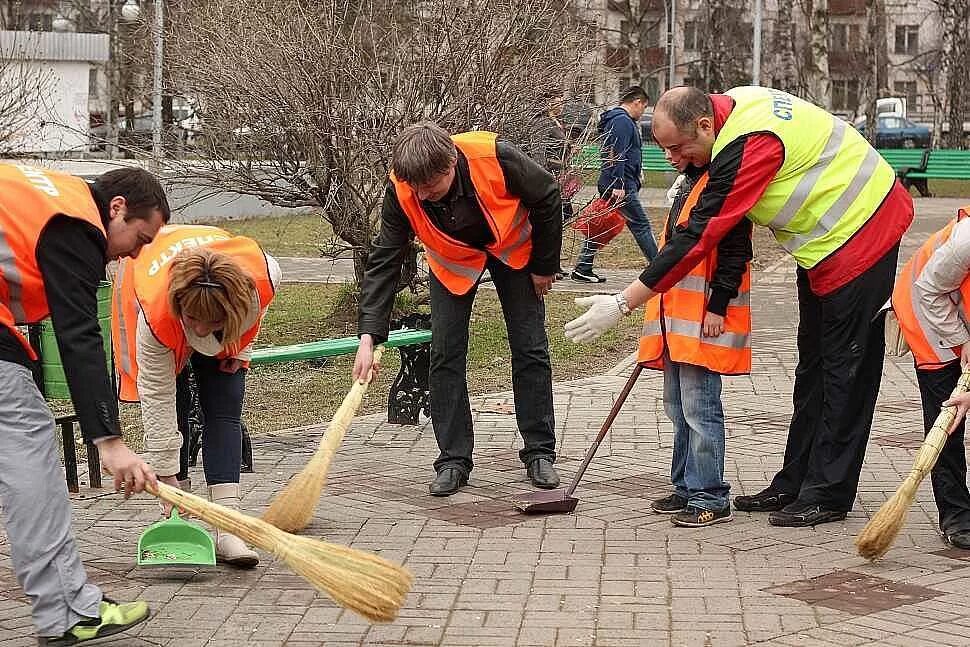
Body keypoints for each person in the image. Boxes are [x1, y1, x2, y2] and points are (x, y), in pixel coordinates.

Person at [565, 85, 914, 528]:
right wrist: (693, 169)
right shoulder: (729, 114)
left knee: (845, 370)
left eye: (679, 148)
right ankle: (794, 481)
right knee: (813, 368)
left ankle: (828, 492)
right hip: (824, 246)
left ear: (705, 125)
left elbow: (700, 236)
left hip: (865, 232)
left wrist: (622, 302)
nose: (675, 158)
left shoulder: (751, 145)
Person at [0, 163, 167, 644]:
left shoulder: (50, 195)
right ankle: (67, 610)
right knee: (29, 443)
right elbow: (79, 335)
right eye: (141, 236)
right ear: (117, 209)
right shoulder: (76, 223)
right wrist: (109, 442)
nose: (137, 252)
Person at [354, 122, 562, 497]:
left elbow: (547, 195)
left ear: (451, 163)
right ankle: (453, 460)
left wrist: (544, 266)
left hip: (512, 251)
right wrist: (369, 336)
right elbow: (385, 259)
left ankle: (539, 452)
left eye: (432, 187)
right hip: (452, 263)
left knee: (529, 346)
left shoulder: (494, 156)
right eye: (417, 189)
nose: (424, 196)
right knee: (445, 353)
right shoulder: (402, 189)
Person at [112, 225, 281, 567]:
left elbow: (256, 312)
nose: (201, 330)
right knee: (174, 407)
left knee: (224, 408)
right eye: (194, 320)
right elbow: (156, 395)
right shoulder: (156, 313)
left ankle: (227, 525)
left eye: (212, 322)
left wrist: (241, 347)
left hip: (221, 309)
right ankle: (178, 513)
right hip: (159, 312)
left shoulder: (263, 277)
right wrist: (165, 475)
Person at [641, 169, 752, 527]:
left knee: (699, 409)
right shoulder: (686, 187)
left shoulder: (722, 187)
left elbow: (736, 252)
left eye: (675, 148)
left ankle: (710, 495)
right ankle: (687, 487)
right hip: (676, 318)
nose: (670, 157)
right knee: (677, 407)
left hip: (703, 318)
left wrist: (719, 305)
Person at [891, 204, 970, 548]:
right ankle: (956, 515)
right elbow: (928, 290)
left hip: (958, 311)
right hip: (929, 317)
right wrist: (962, 341)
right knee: (948, 421)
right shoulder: (967, 241)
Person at [571, 85, 658, 283]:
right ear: (636, 102)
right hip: (620, 185)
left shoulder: (618, 120)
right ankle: (658, 266)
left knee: (601, 224)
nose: (642, 112)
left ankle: (583, 267)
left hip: (618, 182)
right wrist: (619, 183)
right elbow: (614, 153)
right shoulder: (621, 122)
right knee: (641, 225)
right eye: (643, 107)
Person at [527, 89, 578, 278]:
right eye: (558, 100)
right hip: (549, 180)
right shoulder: (541, 123)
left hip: (560, 178)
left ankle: (552, 262)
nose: (561, 103)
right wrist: (547, 177)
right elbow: (538, 154)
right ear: (547, 102)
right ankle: (545, 263)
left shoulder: (557, 122)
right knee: (551, 220)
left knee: (561, 217)